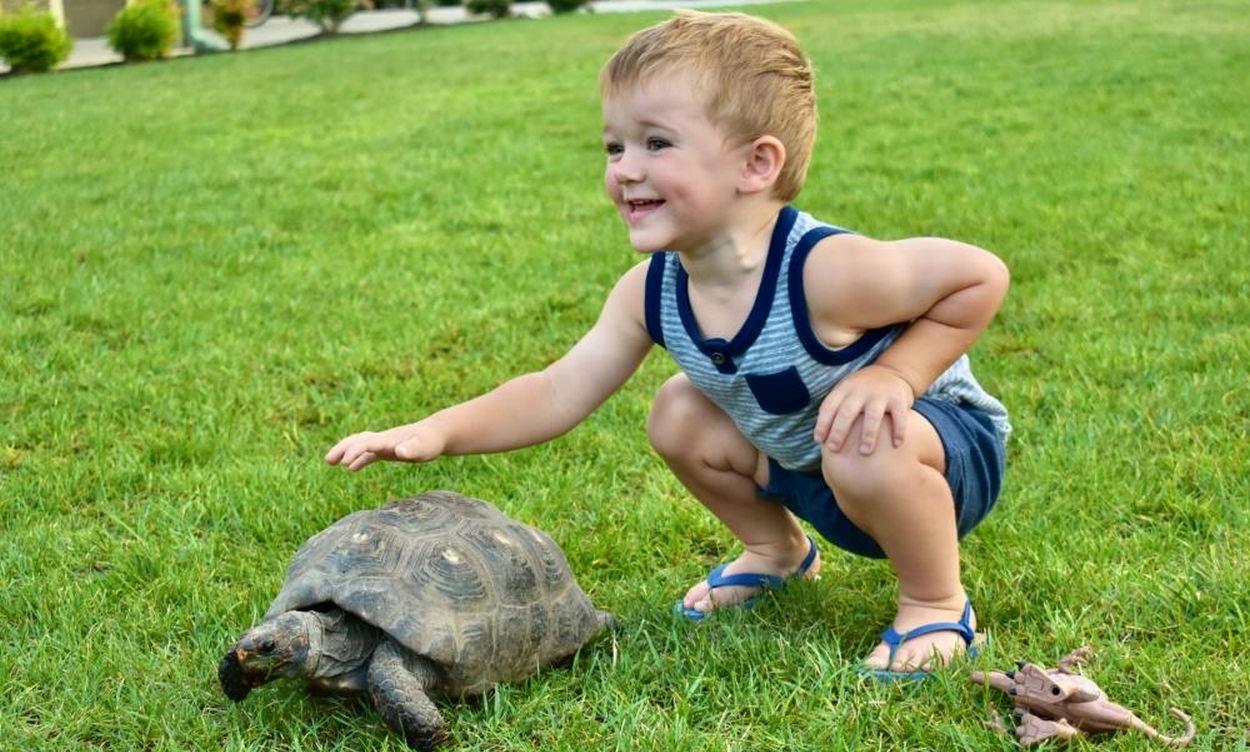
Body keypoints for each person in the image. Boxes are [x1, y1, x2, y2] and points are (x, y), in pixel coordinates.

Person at [325, 10, 1010, 680]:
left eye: (656, 143)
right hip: (817, 466)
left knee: (861, 441)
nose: (625, 168)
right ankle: (776, 550)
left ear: (756, 164)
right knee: (676, 410)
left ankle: (936, 602)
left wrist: (895, 375)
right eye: (614, 147)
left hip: (936, 461)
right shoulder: (649, 292)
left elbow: (978, 277)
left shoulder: (826, 272)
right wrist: (437, 430)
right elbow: (557, 389)